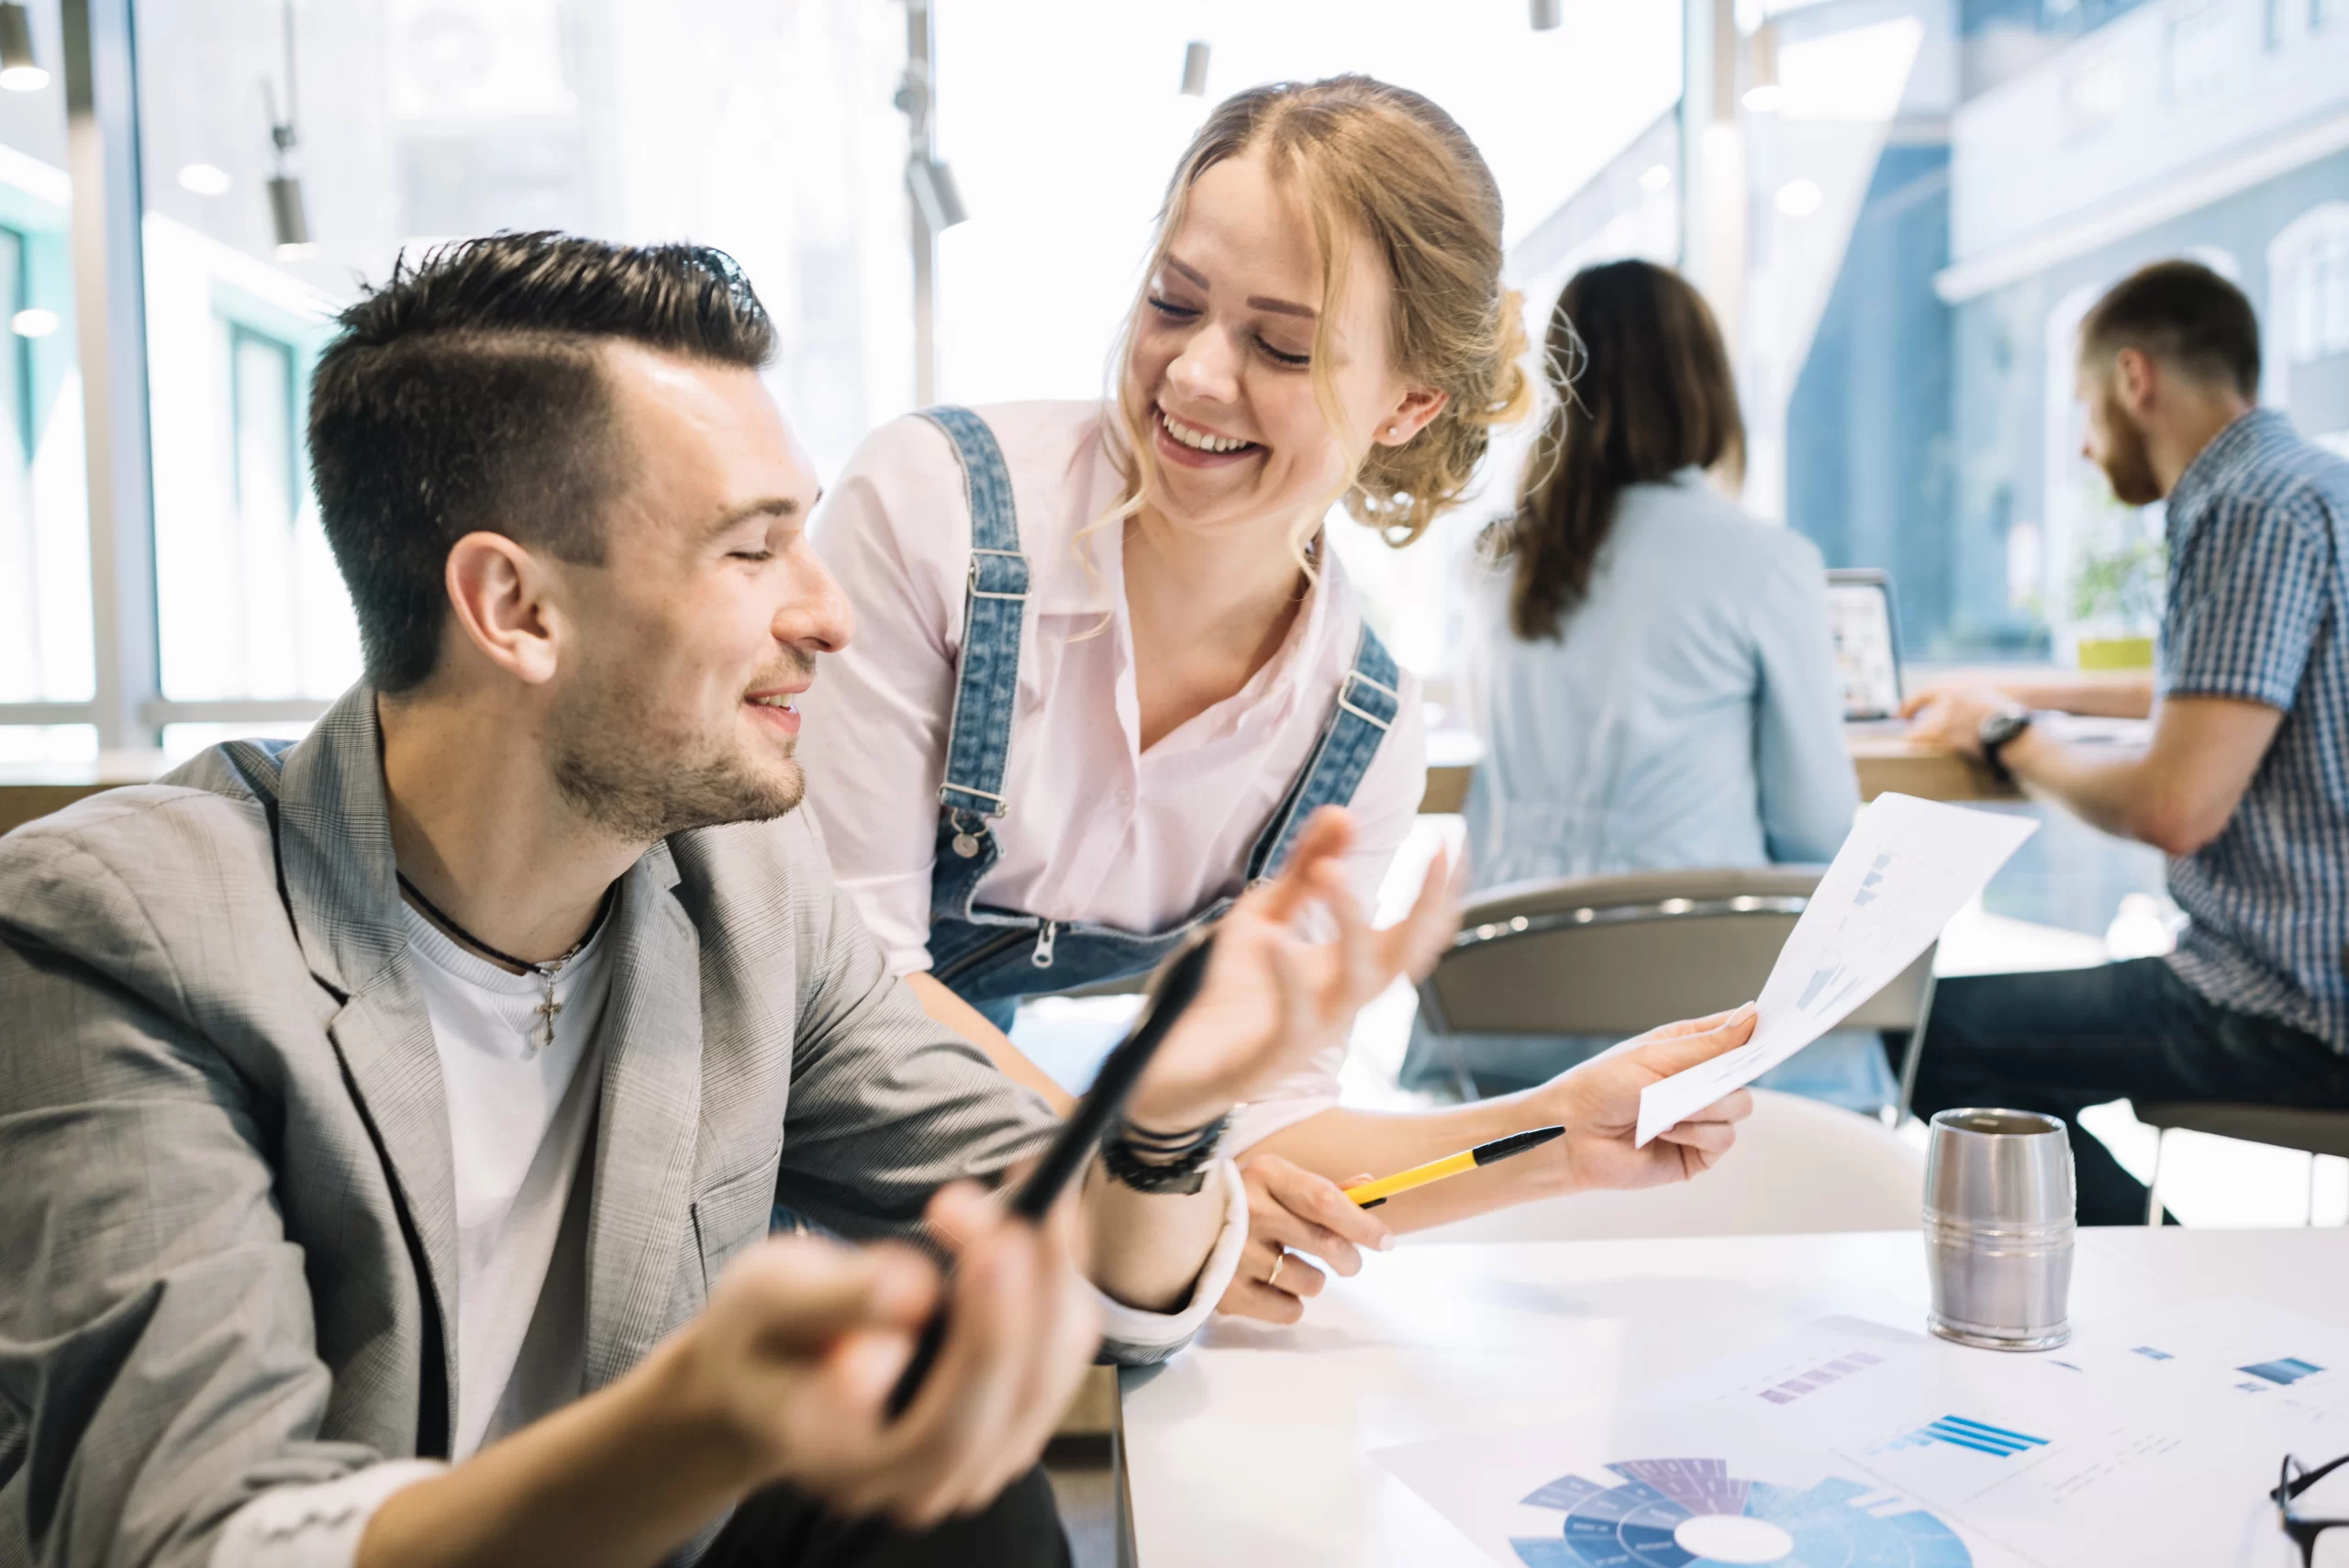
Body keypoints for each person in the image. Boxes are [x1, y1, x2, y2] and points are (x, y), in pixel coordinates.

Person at [0, 233, 1471, 1568]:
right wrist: (694, 1426)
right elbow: (191, 1539)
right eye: (753, 549)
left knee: (963, 1499)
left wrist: (1160, 1118)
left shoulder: (741, 896)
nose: (826, 613)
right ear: (515, 608)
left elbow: (1096, 1267)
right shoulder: (125, 929)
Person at [797, 76, 1760, 1327]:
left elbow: (1269, 1126)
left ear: (1409, 400)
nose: (1195, 376)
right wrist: (1147, 1181)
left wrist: (1550, 1135)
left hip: (980, 1221)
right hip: (744, 1146)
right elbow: (845, 978)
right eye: (1172, 303)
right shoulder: (933, 513)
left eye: (1283, 345)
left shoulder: (1352, 726)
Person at [1902, 259, 2349, 1225]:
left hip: (2293, 1006)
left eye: (2083, 406)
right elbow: (2211, 686)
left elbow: (2174, 806)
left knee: (1926, 1036)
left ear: (2133, 379)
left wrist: (2006, 732)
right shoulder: (2317, 486)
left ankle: (2173, 1279)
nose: (2082, 444)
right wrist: (2009, 687)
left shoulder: (2241, 507)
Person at [1398, 259, 1865, 1103]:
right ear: (1706, 387)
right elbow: (1818, 832)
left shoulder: (1492, 558)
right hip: (1694, 1032)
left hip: (1501, 1009)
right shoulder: (1765, 564)